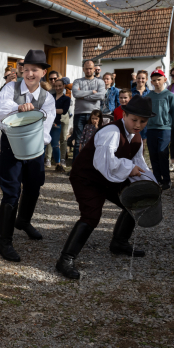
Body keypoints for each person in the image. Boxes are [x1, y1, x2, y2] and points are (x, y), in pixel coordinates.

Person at [55, 95, 154, 279]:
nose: (138, 124)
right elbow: (104, 163)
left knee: (134, 201)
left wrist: (149, 182)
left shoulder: (137, 137)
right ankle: (65, 259)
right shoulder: (111, 132)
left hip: (111, 177)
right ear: (124, 114)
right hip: (88, 177)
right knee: (91, 216)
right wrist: (129, 168)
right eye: (134, 119)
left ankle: (119, 243)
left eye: (143, 121)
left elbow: (138, 163)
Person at [0, 50, 56, 262]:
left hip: (35, 148)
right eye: (26, 69)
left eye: (34, 70)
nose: (29, 74)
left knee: (34, 185)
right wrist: (18, 107)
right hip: (11, 146)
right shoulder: (11, 87)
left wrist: (36, 143)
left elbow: (46, 129)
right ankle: (5, 242)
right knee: (11, 192)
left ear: (43, 72)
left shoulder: (47, 98)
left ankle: (24, 221)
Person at [146, 69, 174, 190]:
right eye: (154, 80)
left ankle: (167, 180)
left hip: (165, 128)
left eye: (159, 79)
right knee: (153, 154)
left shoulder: (170, 95)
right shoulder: (148, 96)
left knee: (163, 153)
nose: (156, 82)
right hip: (151, 128)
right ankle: (157, 179)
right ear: (151, 82)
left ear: (165, 80)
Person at [72, 60, 106, 160]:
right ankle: (76, 168)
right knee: (78, 141)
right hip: (79, 114)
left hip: (94, 115)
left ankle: (91, 167)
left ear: (94, 69)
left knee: (94, 140)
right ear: (83, 69)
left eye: (90, 68)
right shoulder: (77, 81)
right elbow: (75, 94)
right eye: (86, 68)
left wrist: (83, 96)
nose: (88, 70)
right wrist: (92, 92)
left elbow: (101, 95)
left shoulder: (100, 82)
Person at [50, 78, 71, 172]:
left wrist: (50, 110)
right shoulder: (50, 96)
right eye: (56, 86)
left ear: (63, 86)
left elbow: (63, 111)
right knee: (44, 144)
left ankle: (58, 165)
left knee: (55, 144)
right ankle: (39, 164)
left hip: (56, 123)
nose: (58, 88)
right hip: (46, 123)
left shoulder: (66, 98)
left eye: (60, 86)